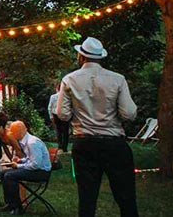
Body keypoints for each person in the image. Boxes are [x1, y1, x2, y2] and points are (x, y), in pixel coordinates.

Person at [57, 37, 138, 217]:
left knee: (87, 197)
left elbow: (62, 114)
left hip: (84, 143)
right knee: (126, 196)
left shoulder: (69, 80)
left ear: (81, 56)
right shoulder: (117, 79)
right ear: (100, 57)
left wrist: (79, 114)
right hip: (114, 143)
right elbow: (129, 113)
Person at [0, 121, 51, 215]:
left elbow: (36, 164)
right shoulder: (25, 141)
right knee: (4, 173)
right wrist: (20, 160)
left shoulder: (32, 143)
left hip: (41, 172)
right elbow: (30, 159)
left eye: (12, 132)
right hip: (36, 169)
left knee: (10, 176)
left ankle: (17, 207)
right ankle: (10, 203)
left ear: (19, 132)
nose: (10, 134)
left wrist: (18, 166)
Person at [48, 83, 70, 152]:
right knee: (65, 132)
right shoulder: (66, 97)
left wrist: (51, 116)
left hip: (56, 115)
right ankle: (65, 147)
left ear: (57, 89)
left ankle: (60, 146)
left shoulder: (53, 97)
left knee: (59, 131)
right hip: (64, 114)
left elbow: (50, 107)